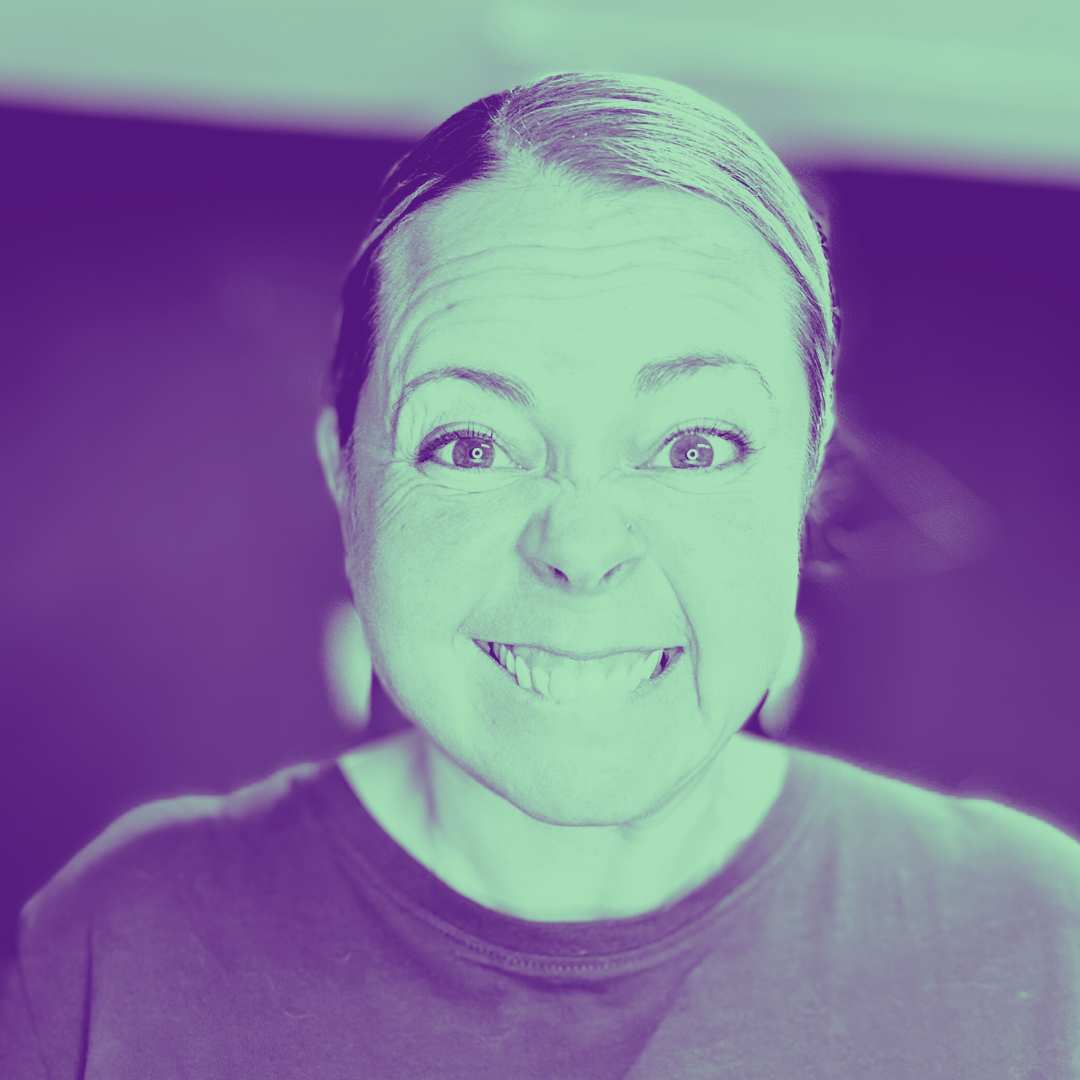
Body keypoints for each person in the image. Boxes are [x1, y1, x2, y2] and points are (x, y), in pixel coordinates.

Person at [2, 71, 1078, 1079]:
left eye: (695, 445)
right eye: (470, 445)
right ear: (346, 477)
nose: (581, 546)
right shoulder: (121, 944)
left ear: (805, 479)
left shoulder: (1034, 940)